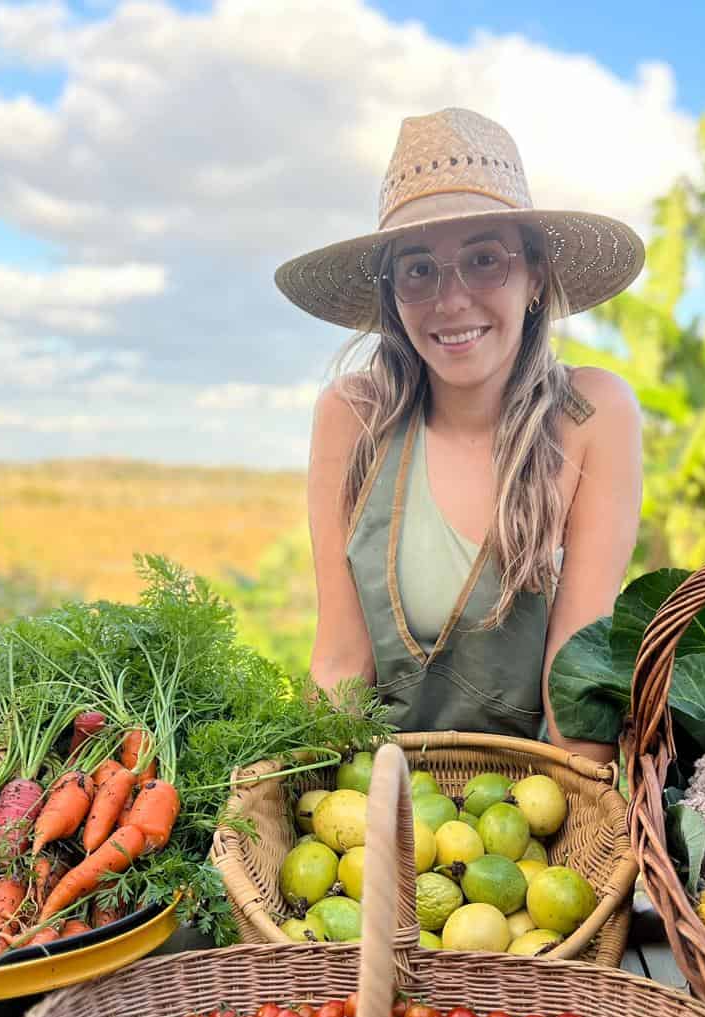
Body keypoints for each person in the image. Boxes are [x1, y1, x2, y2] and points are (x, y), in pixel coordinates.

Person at [275, 107, 644, 763]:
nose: (451, 301)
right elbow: (341, 660)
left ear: (534, 278)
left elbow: (577, 685)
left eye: (483, 260)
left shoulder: (591, 413)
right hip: (374, 801)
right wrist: (294, 791)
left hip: (530, 808)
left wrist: (577, 840)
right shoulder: (354, 415)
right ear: (392, 294)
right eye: (419, 269)